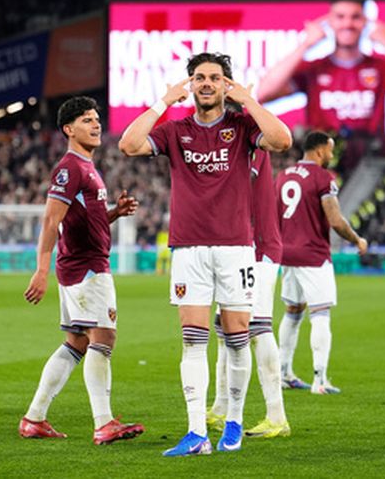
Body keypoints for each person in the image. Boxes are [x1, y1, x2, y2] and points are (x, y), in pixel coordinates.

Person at [119, 52, 291, 456]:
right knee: (193, 341)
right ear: (190, 85)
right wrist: (164, 101)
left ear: (226, 84)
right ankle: (197, 433)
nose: (207, 83)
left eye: (215, 77)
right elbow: (128, 144)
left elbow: (283, 140)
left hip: (235, 247)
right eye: (199, 78)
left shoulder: (243, 126)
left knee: (236, 339)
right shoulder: (175, 130)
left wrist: (247, 100)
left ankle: (233, 420)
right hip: (188, 248)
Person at [19, 96, 144, 445]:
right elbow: (51, 219)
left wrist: (115, 213)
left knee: (75, 343)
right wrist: (41, 270)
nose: (96, 124)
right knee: (103, 338)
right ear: (68, 129)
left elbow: (85, 220)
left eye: (97, 119)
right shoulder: (70, 168)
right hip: (86, 268)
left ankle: (34, 418)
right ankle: (104, 423)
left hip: (82, 265)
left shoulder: (88, 167)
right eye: (87, 120)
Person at [276, 131, 367, 394]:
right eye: (330, 150)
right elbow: (336, 220)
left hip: (287, 254)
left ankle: (285, 373)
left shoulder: (283, 176)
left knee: (292, 312)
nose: (331, 154)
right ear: (319, 150)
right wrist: (357, 239)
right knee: (320, 314)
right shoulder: (323, 178)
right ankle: (320, 380)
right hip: (313, 254)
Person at [208, 149, 290, 439]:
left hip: (258, 245)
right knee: (225, 327)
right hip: (235, 246)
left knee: (256, 327)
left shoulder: (247, 142)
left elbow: (235, 186)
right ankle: (220, 408)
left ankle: (276, 415)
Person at [257, 0, 385, 134]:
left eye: (355, 17)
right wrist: (306, 44)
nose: (348, 24)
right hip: (323, 161)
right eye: (340, 17)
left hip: (370, 158)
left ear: (365, 22)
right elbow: (264, 93)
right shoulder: (314, 69)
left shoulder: (381, 67)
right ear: (330, 22)